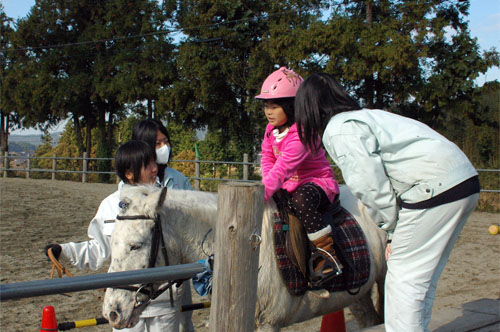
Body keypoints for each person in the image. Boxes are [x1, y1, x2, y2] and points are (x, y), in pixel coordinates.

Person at [294, 73, 480, 332]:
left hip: (433, 187)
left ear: (306, 108)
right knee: (422, 275)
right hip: (463, 181)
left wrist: (390, 228)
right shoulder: (369, 117)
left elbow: (370, 185)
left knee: (404, 277)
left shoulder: (339, 129)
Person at [44, 140, 193, 332]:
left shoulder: (169, 203)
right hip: (125, 300)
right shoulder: (109, 205)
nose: (155, 169)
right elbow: (99, 248)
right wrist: (65, 251)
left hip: (164, 302)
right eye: (148, 165)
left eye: (154, 163)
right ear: (129, 173)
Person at [256, 67, 342, 284]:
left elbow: (283, 167)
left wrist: (259, 195)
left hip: (317, 182)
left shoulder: (303, 133)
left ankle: (327, 255)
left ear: (291, 106)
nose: (269, 111)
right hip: (288, 185)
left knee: (302, 200)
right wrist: (267, 186)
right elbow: (267, 158)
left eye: (274, 106)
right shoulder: (271, 129)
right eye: (266, 105)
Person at [132, 119, 193, 190]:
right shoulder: (131, 184)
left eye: (166, 142)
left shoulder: (178, 178)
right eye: (158, 143)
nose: (165, 147)